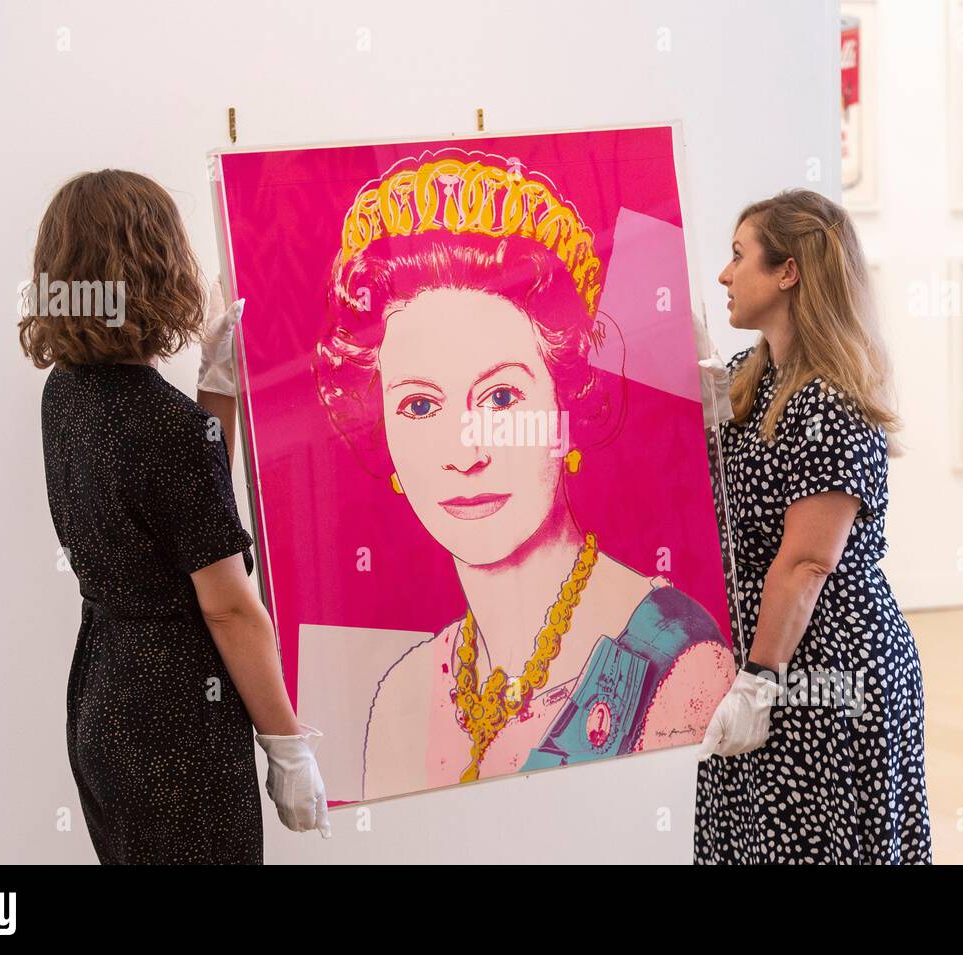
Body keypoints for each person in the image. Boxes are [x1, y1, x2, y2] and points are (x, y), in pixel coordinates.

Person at [314, 151, 735, 799]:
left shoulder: (675, 660)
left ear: (568, 405)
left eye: (501, 398)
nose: (465, 451)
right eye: (421, 405)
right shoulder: (403, 693)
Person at [19, 169, 329, 863]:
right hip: (178, 723)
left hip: (103, 699)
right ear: (157, 268)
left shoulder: (63, 393)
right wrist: (284, 742)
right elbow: (230, 610)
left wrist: (215, 385)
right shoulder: (167, 429)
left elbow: (184, 498)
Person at [694, 188, 932, 864]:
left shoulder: (831, 400)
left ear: (788, 271)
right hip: (767, 663)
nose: (724, 275)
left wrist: (760, 676)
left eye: (739, 256)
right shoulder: (750, 377)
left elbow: (806, 563)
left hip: (826, 673)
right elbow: (732, 522)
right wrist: (703, 423)